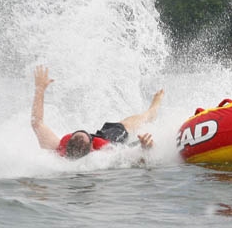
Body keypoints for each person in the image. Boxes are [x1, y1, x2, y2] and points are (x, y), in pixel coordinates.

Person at [30, 65, 163, 159]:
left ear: (68, 141)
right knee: (138, 120)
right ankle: (153, 110)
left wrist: (40, 89)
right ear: (91, 144)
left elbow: (37, 123)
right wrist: (146, 148)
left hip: (91, 143)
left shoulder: (58, 149)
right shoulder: (107, 154)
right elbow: (137, 161)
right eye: (84, 137)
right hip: (112, 139)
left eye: (75, 136)